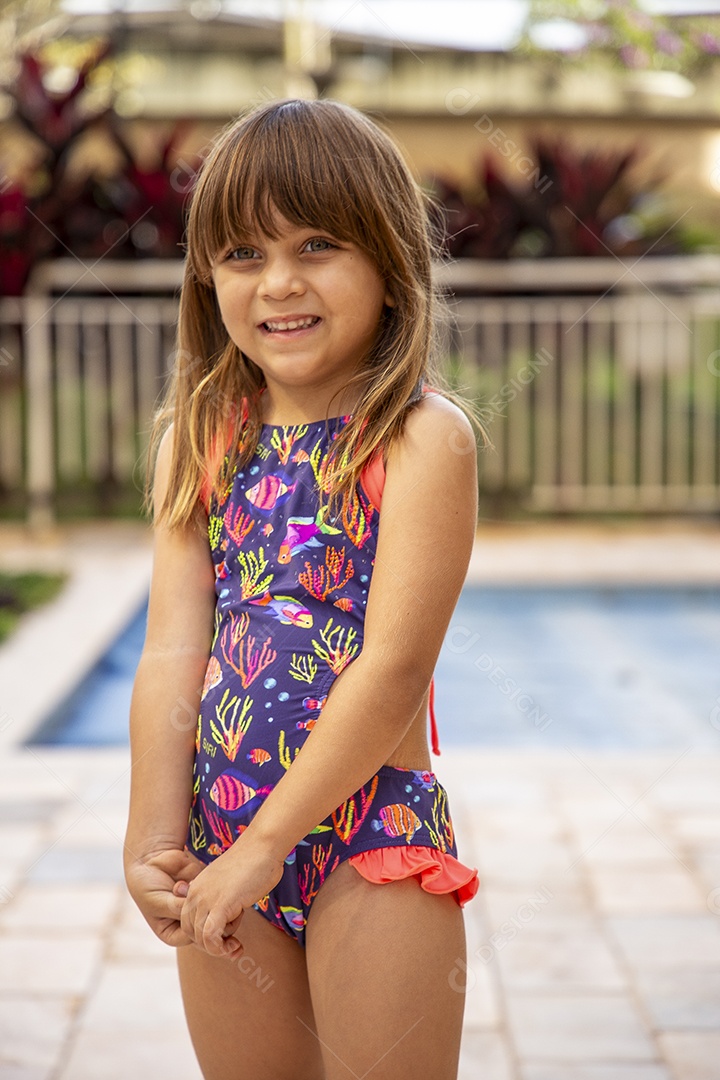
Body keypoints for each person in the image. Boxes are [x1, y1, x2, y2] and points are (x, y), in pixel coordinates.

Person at [124, 97, 482, 1080]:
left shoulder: (419, 438)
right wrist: (153, 838)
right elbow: (169, 655)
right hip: (219, 838)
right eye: (243, 253)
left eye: (317, 244)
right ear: (208, 277)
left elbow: (394, 668)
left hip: (368, 840)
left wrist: (270, 844)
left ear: (389, 262)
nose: (279, 281)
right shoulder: (200, 439)